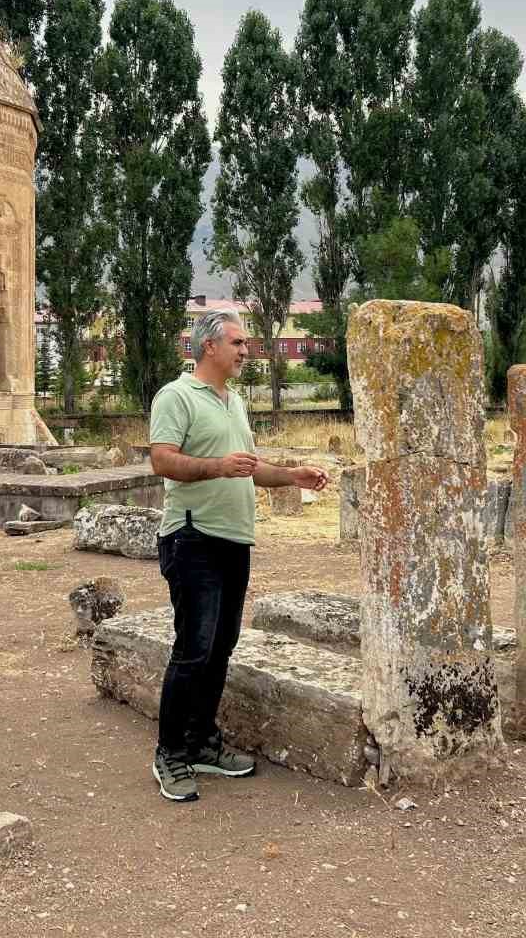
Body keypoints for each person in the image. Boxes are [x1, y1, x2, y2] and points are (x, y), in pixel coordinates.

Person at [145, 308, 329, 803]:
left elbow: (246, 469)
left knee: (221, 648)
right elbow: (162, 459)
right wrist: (216, 467)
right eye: (239, 343)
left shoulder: (236, 402)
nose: (246, 351)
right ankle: (170, 754)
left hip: (234, 539)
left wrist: (293, 475)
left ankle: (202, 742)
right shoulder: (177, 396)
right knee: (193, 649)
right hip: (193, 537)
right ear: (210, 347)